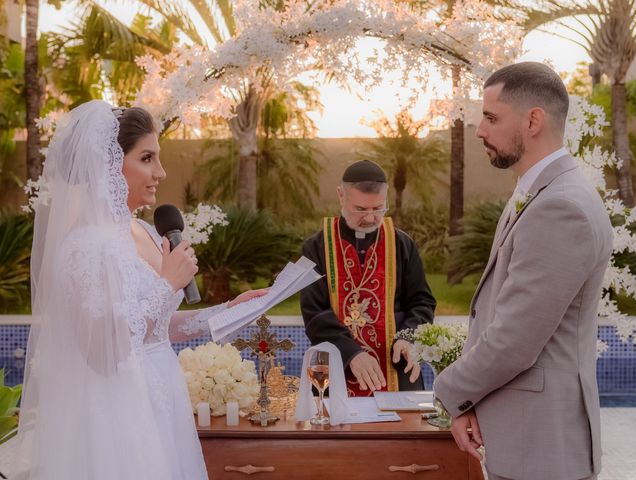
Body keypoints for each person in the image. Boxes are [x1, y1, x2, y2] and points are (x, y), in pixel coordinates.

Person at [11, 100, 265, 479]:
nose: (160, 172)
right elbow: (101, 350)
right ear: (108, 165)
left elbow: (156, 326)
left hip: (162, 400)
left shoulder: (143, 231)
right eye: (147, 158)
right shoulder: (85, 247)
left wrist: (228, 309)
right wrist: (167, 284)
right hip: (118, 413)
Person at [433, 62, 613, 480]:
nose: (479, 130)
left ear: (533, 121)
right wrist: (471, 403)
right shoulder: (543, 193)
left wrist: (450, 392)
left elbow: (514, 340)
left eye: (492, 118)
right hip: (528, 441)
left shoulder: (559, 207)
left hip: (542, 451)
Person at [300, 160, 436, 397]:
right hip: (336, 368)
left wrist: (408, 338)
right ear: (341, 196)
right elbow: (314, 312)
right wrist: (352, 353)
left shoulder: (402, 244)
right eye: (361, 209)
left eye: (379, 208)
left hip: (396, 370)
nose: (371, 218)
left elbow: (422, 302)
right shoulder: (316, 247)